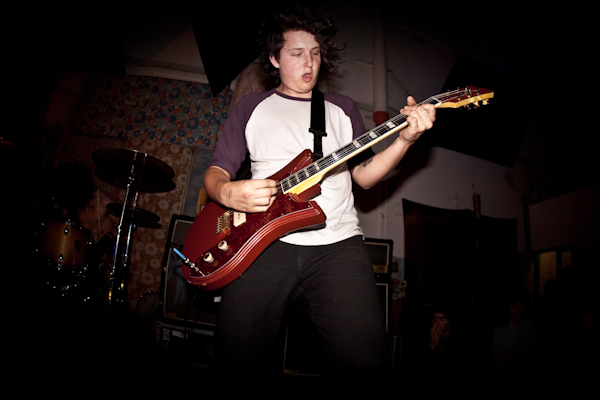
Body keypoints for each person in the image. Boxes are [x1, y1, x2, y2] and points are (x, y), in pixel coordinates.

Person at [204, 4, 436, 376]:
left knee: (364, 360)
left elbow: (363, 176)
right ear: (274, 58)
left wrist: (405, 140)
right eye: (297, 53)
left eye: (314, 52)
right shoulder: (251, 106)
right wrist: (229, 193)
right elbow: (217, 171)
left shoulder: (342, 108)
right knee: (236, 358)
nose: (309, 62)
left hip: (337, 245)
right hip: (261, 243)